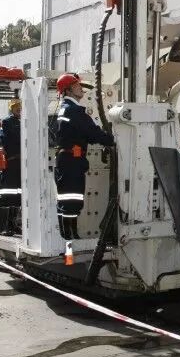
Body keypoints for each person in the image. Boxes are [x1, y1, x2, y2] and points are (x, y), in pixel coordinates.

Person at [54, 73, 115, 241]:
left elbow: (82, 133)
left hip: (67, 160)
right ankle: (70, 236)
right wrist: (112, 140)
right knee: (72, 199)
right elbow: (92, 132)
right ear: (68, 90)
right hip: (71, 161)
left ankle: (66, 235)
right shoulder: (74, 111)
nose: (80, 87)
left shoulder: (65, 109)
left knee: (66, 198)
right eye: (76, 85)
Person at [0, 98, 22, 235]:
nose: (19, 109)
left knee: (18, 196)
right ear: (11, 109)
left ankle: (13, 225)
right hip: (11, 163)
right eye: (16, 107)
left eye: (20, 106)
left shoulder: (22, 121)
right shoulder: (8, 122)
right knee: (7, 195)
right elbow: (15, 137)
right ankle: (3, 227)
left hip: (21, 164)